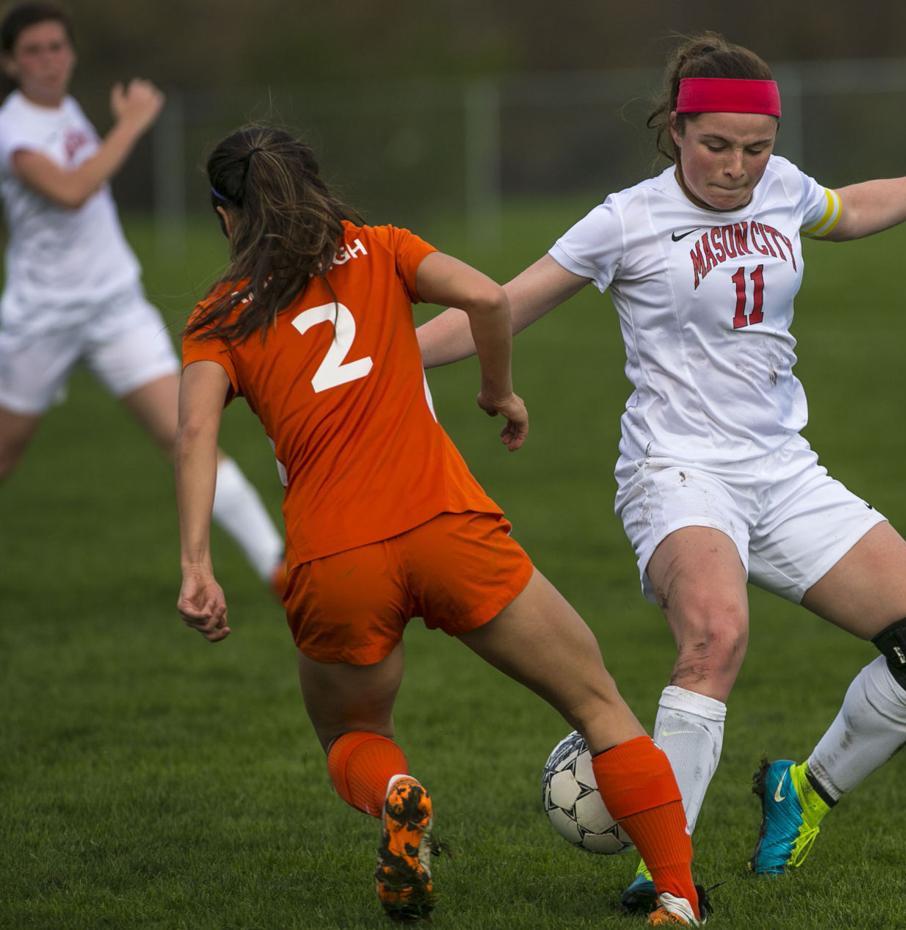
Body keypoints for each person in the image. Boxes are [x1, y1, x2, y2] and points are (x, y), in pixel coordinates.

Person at [416, 32, 906, 908]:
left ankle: (804, 791)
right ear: (675, 129)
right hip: (677, 470)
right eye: (717, 146)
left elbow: (849, 208)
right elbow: (503, 305)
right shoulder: (625, 218)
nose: (738, 168)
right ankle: (666, 879)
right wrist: (380, 357)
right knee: (716, 638)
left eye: (756, 148)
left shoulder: (781, 190)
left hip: (783, 471)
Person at [175, 124, 708, 927]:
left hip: (334, 554)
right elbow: (489, 297)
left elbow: (193, 436)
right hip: (445, 526)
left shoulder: (218, 315)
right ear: (318, 185)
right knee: (598, 702)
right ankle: (677, 895)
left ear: (226, 217)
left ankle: (396, 795)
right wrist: (498, 390)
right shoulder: (380, 247)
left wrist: (197, 565)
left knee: (353, 730)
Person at [0, 1, 284, 592]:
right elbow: (73, 190)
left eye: (57, 47)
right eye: (33, 50)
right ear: (10, 62)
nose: (48, 60)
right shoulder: (13, 130)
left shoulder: (66, 110)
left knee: (186, 433)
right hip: (40, 317)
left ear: (71, 53)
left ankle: (276, 565)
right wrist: (129, 122)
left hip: (113, 307)